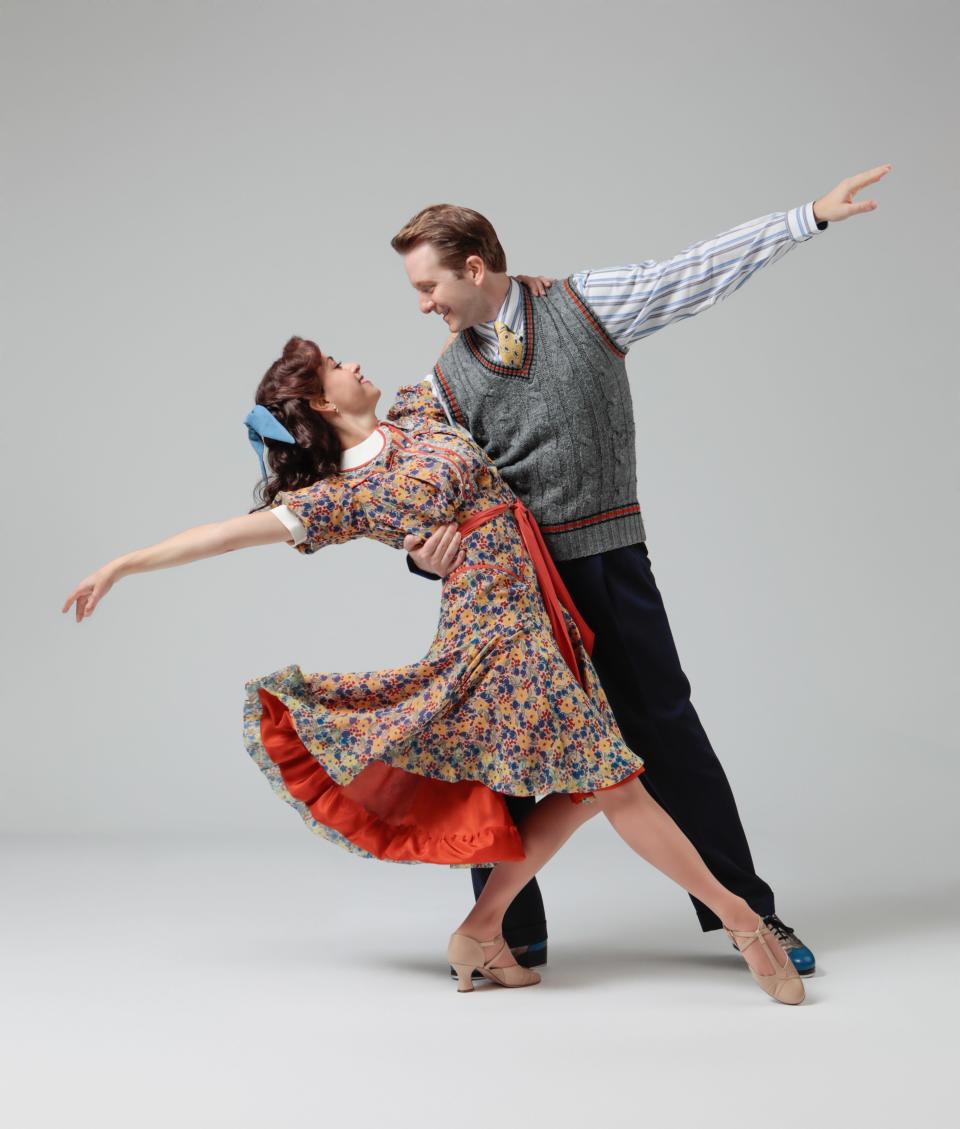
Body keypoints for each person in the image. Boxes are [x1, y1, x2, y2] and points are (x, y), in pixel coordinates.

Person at [62, 336, 805, 1003]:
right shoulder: (340, 496)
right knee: (612, 779)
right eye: (336, 366)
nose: (355, 362)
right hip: (494, 630)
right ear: (322, 400)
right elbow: (224, 536)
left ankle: (482, 927)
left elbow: (487, 348)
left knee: (590, 785)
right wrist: (122, 565)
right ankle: (743, 923)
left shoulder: (419, 412)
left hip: (538, 610)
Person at [393, 165, 891, 977]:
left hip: (608, 559)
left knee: (664, 732)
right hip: (512, 585)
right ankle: (505, 931)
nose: (423, 305)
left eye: (428, 285)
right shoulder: (444, 383)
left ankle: (751, 915)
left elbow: (694, 271)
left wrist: (808, 217)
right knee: (501, 746)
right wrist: (422, 553)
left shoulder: (586, 306)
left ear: (475, 267)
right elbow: (422, 491)